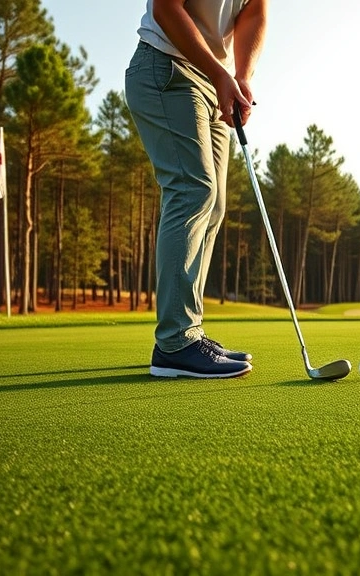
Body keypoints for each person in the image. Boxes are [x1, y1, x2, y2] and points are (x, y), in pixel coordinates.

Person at [125, 0, 267, 378]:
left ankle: (189, 332)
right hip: (166, 65)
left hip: (214, 81)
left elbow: (254, 12)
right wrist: (219, 74)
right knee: (193, 190)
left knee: (215, 203)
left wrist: (241, 75)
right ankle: (176, 342)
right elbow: (165, 9)